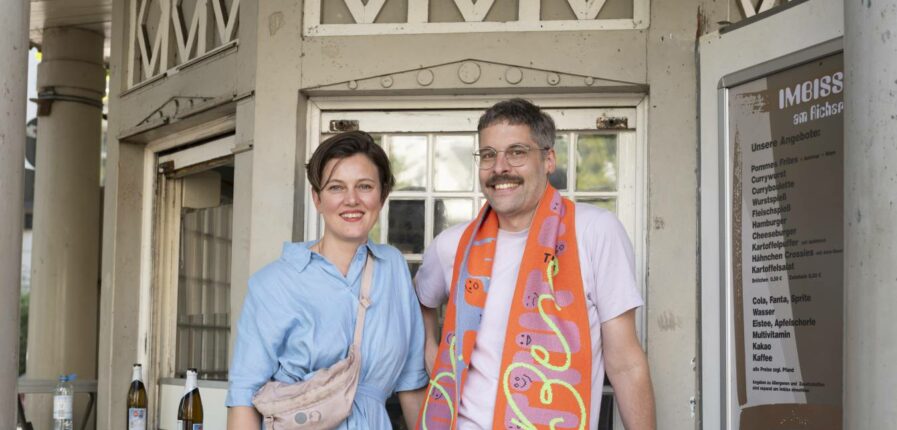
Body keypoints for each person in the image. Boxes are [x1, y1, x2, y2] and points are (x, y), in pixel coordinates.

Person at [414, 99, 656, 429]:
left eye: (516, 152)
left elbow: (626, 363)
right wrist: (433, 351)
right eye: (488, 155)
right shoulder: (451, 246)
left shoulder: (595, 232)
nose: (499, 167)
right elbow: (419, 305)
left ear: (548, 159)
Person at [226, 131, 428, 429]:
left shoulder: (393, 267)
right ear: (317, 198)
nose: (352, 200)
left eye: (364, 186)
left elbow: (411, 382)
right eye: (336, 187)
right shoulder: (274, 283)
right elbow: (244, 395)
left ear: (382, 195)